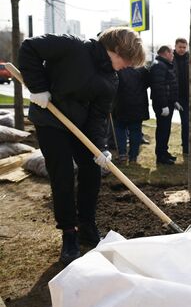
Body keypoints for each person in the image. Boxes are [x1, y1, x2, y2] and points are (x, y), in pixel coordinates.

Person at [18, 27, 145, 265]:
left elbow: (98, 116)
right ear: (116, 50)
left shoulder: (111, 78)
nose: (128, 65)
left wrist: (100, 147)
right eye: (127, 60)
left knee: (91, 171)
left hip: (81, 127)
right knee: (62, 174)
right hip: (50, 120)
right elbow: (30, 48)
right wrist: (38, 88)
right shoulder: (73, 47)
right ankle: (69, 233)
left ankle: (87, 223)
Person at [113, 66, 150, 163]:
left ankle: (122, 154)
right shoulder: (142, 69)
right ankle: (133, 156)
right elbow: (147, 83)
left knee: (120, 129)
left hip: (121, 103)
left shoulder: (119, 68)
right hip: (138, 103)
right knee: (135, 130)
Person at [150, 45, 179, 165]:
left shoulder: (163, 65)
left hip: (168, 102)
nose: (173, 56)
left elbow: (169, 85)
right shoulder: (159, 65)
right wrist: (163, 105)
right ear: (166, 53)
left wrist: (174, 101)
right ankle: (161, 156)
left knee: (165, 130)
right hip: (163, 104)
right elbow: (158, 87)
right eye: (171, 53)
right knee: (162, 130)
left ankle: (164, 152)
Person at [173, 38, 190, 155]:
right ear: (175, 46)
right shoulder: (170, 58)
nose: (182, 49)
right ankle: (162, 151)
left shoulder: (190, 58)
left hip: (187, 97)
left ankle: (186, 148)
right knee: (164, 125)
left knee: (186, 123)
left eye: (184, 47)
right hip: (173, 96)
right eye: (180, 47)